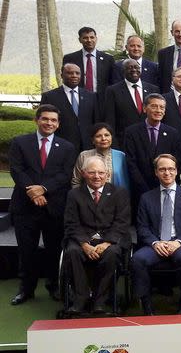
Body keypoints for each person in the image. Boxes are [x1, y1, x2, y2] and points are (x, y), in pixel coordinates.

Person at [9, 105, 77, 305]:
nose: (49, 123)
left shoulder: (67, 147)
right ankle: (26, 289)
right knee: (26, 250)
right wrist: (32, 191)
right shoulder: (20, 143)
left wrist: (43, 189)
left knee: (54, 250)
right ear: (36, 120)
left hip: (53, 207)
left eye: (53, 120)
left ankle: (54, 286)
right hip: (25, 206)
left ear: (58, 124)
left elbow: (65, 174)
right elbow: (17, 170)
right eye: (45, 119)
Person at [131, 154, 181, 315]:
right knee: (138, 259)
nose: (167, 173)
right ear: (156, 172)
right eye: (162, 169)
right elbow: (142, 227)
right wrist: (155, 243)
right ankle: (147, 306)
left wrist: (179, 242)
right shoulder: (146, 197)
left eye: (171, 169)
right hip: (156, 244)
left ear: (177, 171)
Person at [62, 157, 131, 315]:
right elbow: (71, 223)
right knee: (73, 252)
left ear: (107, 174)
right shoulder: (74, 194)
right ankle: (81, 299)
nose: (97, 176)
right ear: (83, 173)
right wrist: (85, 244)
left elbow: (122, 222)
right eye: (92, 172)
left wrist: (106, 243)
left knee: (112, 253)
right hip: (82, 240)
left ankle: (100, 302)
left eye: (101, 172)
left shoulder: (119, 193)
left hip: (110, 240)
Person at [124, 93, 181, 213]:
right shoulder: (132, 132)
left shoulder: (172, 133)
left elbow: (177, 162)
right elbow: (131, 163)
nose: (158, 110)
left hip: (165, 188)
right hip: (140, 190)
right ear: (145, 108)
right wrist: (144, 188)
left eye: (162, 107)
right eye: (154, 106)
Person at [41, 63, 100, 152]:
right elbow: (44, 122)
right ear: (61, 75)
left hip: (87, 146)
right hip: (61, 145)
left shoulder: (91, 96)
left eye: (77, 73)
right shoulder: (49, 97)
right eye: (70, 73)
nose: (74, 76)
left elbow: (96, 121)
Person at [104, 58, 159, 147]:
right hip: (124, 140)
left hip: (149, 139)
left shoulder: (153, 89)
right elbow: (110, 118)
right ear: (123, 71)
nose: (134, 70)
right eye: (129, 67)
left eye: (136, 67)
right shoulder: (113, 90)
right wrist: (113, 142)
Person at [72, 123, 130, 190]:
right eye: (98, 136)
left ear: (111, 137)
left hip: (115, 197)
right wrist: (80, 198)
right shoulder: (84, 156)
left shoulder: (121, 156)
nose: (103, 138)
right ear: (93, 140)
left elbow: (126, 181)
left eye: (107, 135)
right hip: (88, 198)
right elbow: (76, 181)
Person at [62, 26, 114, 96]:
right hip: (78, 98)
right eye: (85, 38)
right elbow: (66, 80)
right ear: (80, 40)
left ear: (96, 39)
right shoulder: (70, 58)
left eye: (92, 37)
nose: (89, 40)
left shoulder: (108, 59)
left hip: (102, 100)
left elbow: (112, 81)